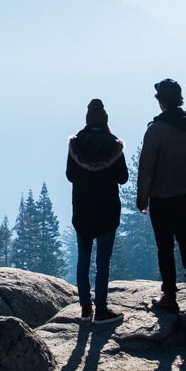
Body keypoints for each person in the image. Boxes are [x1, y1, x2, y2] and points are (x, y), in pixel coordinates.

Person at [135, 77, 186, 314]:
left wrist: (142, 198)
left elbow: (146, 168)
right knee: (184, 234)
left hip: (161, 196)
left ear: (161, 100)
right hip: (184, 192)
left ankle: (169, 296)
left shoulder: (156, 130)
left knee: (164, 244)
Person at [66, 98, 128, 324]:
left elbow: (70, 175)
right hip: (107, 211)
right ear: (105, 121)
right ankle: (101, 309)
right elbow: (123, 178)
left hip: (82, 211)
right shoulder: (114, 145)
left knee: (83, 258)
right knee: (103, 262)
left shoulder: (76, 144)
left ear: (87, 120)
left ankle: (85, 308)